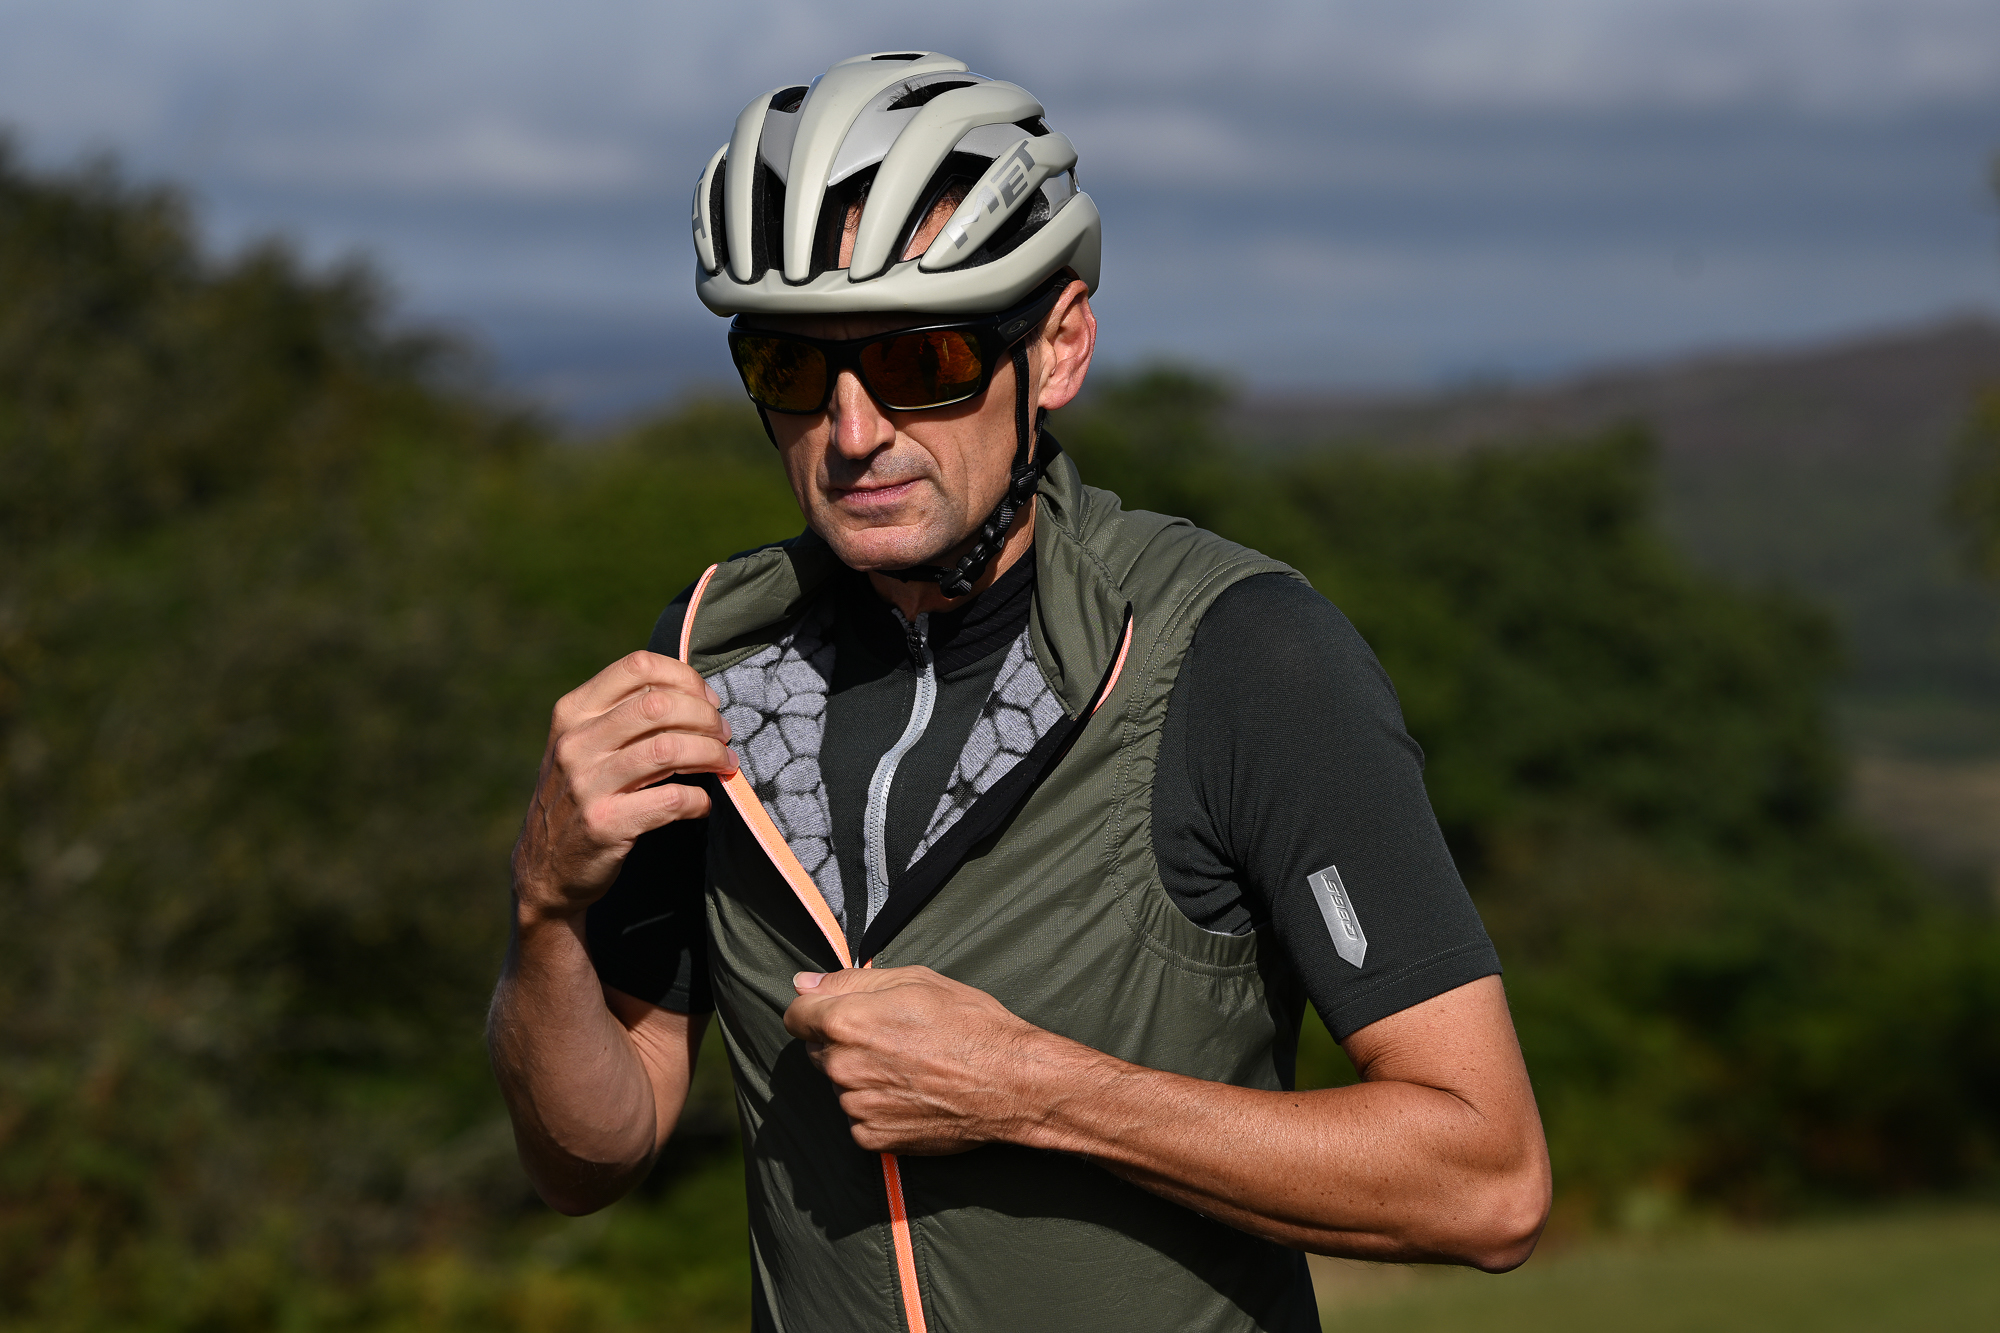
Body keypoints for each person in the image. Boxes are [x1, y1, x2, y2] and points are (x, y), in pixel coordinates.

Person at [488, 50, 1551, 1333]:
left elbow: (1484, 1181)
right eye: (787, 368)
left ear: (1054, 351)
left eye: (920, 359)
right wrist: (544, 910)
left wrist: (1034, 1089)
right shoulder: (711, 655)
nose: (852, 429)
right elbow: (588, 1157)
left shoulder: (1241, 655)